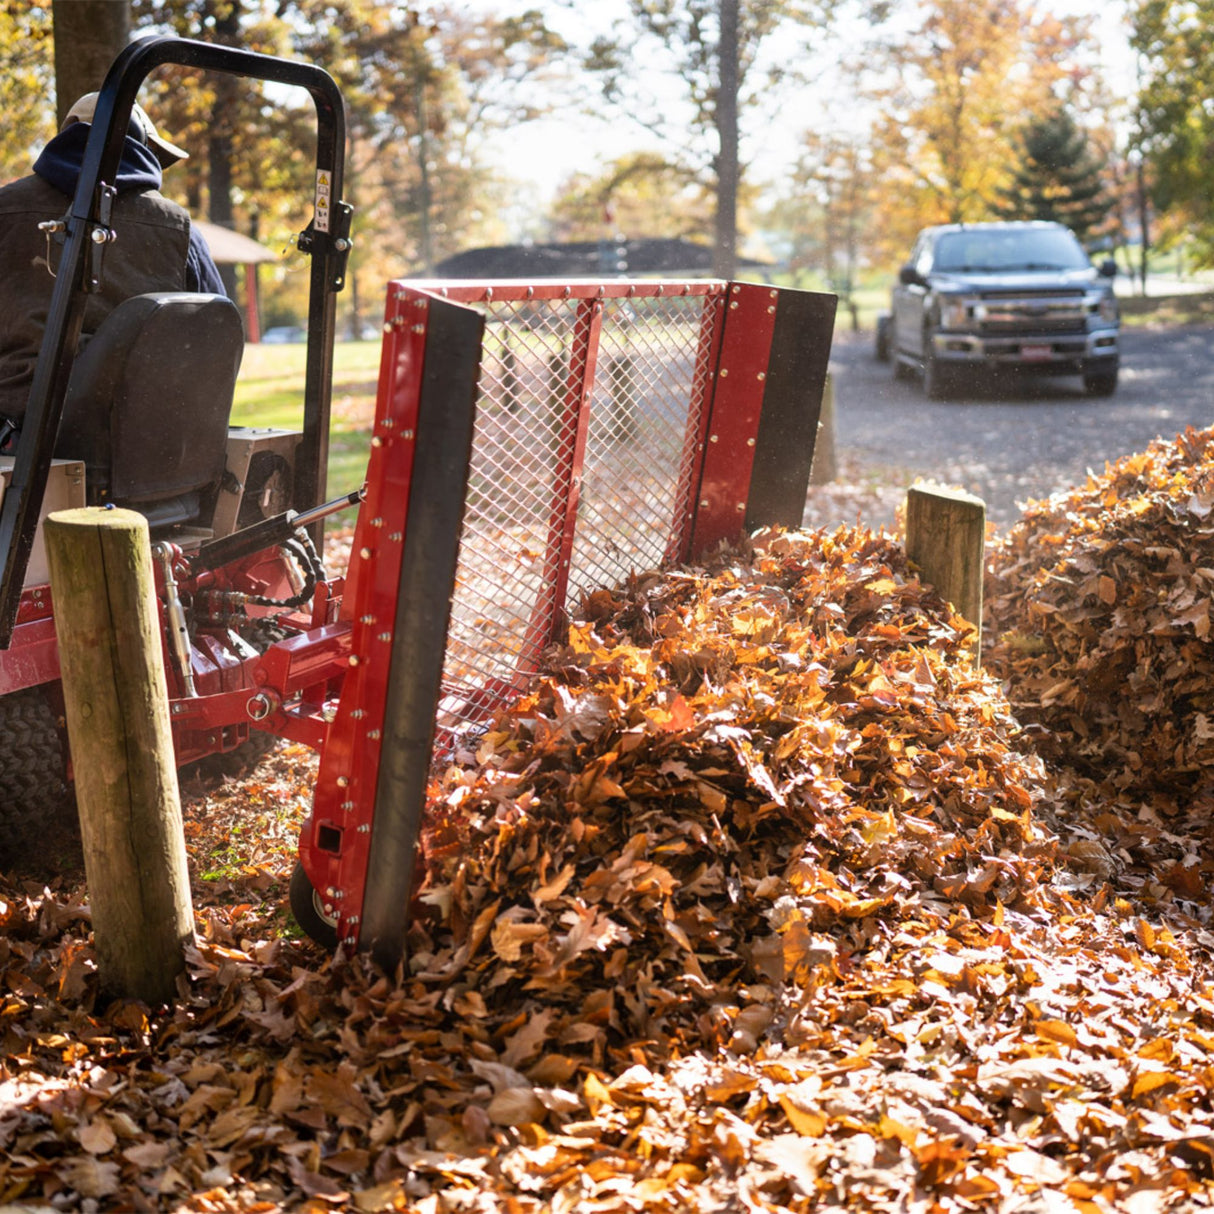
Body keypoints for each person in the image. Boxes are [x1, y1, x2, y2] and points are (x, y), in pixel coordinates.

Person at [0, 92, 225, 436]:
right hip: (141, 443)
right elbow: (218, 338)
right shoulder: (179, 229)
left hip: (17, 438)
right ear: (141, 144)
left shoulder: (6, 209)